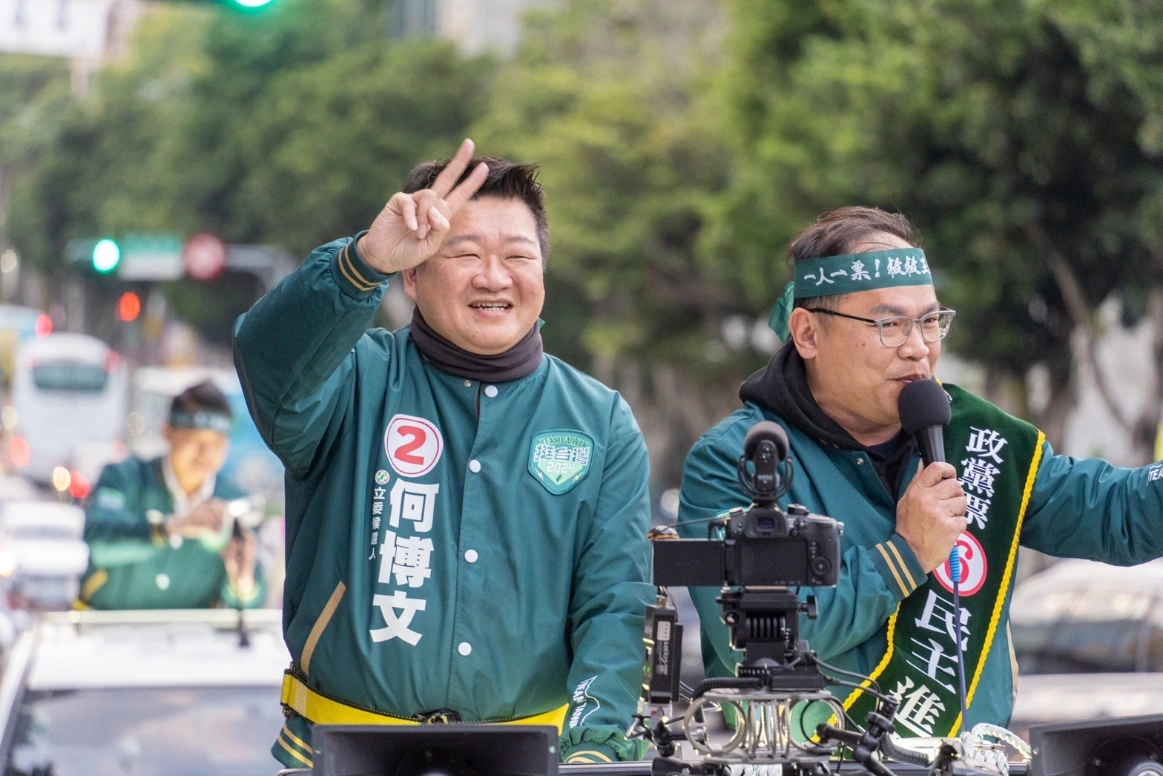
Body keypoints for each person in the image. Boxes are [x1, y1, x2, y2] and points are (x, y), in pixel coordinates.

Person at [233, 139, 652, 769]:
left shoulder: (600, 421)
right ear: (413, 274)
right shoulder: (351, 377)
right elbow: (267, 360)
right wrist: (360, 262)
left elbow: (614, 603)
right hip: (338, 754)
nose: (494, 277)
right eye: (465, 254)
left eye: (518, 256)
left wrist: (595, 748)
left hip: (529, 760)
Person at [678, 206, 1163, 739]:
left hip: (969, 762)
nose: (918, 348)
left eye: (930, 321)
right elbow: (762, 639)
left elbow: (1118, 515)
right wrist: (905, 554)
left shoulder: (974, 436)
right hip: (811, 764)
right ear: (808, 334)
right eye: (889, 325)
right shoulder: (735, 459)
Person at [78, 379, 264, 610]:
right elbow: (99, 542)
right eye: (195, 438)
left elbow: (250, 600)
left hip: (190, 631)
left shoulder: (235, 502)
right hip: (106, 625)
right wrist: (172, 527)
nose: (206, 452)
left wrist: (242, 584)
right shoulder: (124, 477)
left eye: (217, 442)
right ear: (167, 432)